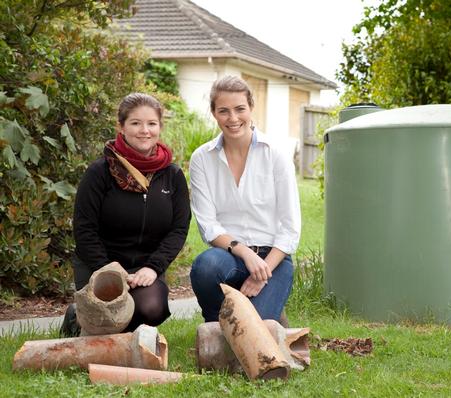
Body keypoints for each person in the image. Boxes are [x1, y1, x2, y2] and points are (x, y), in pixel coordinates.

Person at [60, 93, 191, 336]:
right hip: (100, 266)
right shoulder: (100, 172)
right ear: (121, 127)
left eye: (152, 123)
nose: (145, 130)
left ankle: (94, 323)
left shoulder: (172, 175)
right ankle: (78, 318)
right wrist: (108, 268)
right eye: (135, 123)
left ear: (160, 127)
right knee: (105, 320)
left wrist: (153, 267)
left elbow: (179, 228)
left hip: (145, 267)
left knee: (151, 309)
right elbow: (84, 229)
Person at [189, 75, 301, 324]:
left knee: (253, 331)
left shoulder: (276, 153)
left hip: (274, 259)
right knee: (205, 267)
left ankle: (265, 312)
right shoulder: (202, 159)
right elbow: (208, 224)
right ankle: (217, 325)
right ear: (214, 113)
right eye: (224, 111)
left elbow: (290, 227)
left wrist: (263, 271)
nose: (233, 118)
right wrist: (245, 253)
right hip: (229, 257)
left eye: (240, 109)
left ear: (251, 107)